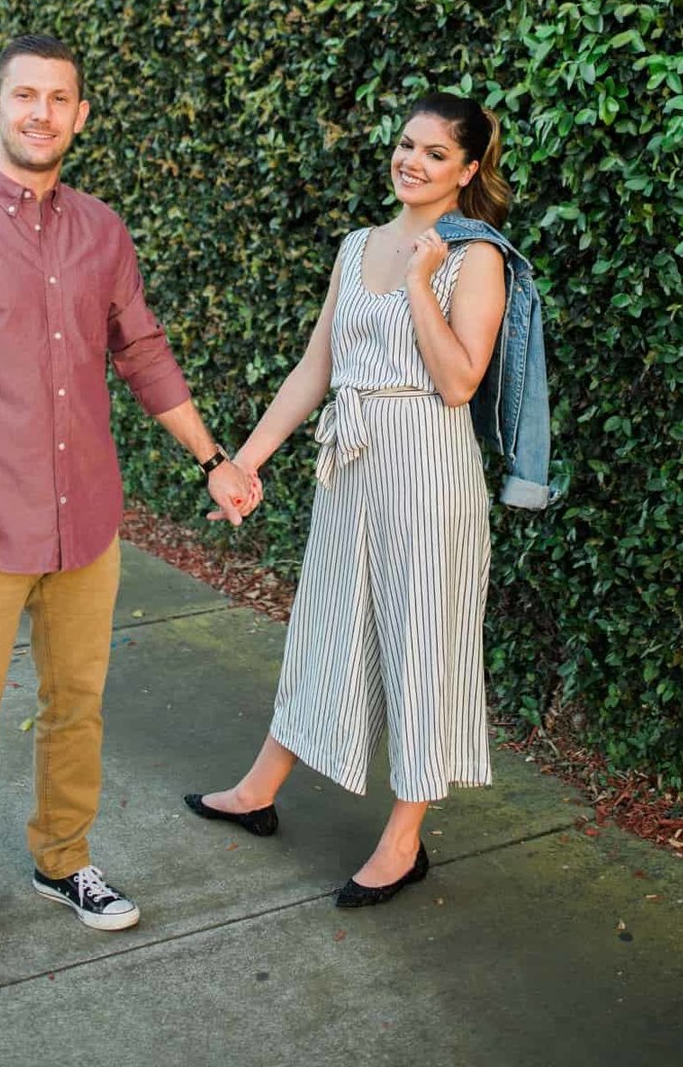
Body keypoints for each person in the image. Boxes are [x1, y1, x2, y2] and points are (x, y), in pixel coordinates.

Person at [0, 34, 258, 978]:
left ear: (81, 116)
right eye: (23, 95)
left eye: (59, 98)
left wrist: (212, 458)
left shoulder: (102, 231)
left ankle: (63, 861)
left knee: (78, 705)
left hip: (87, 521)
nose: (41, 112)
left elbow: (142, 351)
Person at [185, 93, 511, 906]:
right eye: (407, 145)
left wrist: (421, 283)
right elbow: (314, 369)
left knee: (421, 645)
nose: (413, 161)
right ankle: (260, 788)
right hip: (353, 464)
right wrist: (243, 464)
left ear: (467, 171)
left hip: (430, 473)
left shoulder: (474, 259)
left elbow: (460, 380)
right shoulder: (357, 244)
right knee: (325, 624)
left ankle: (404, 842)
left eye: (437, 154)